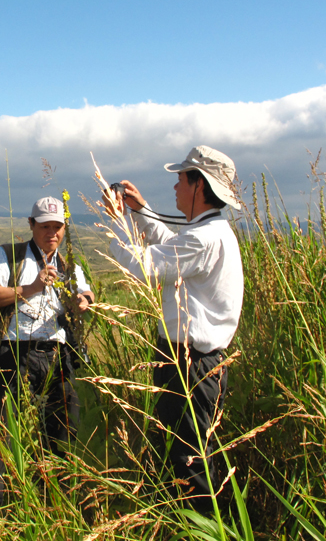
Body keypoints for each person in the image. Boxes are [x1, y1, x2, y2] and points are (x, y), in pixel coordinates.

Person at [103, 145, 244, 512]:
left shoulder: (205, 238)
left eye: (181, 178)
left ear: (199, 185)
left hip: (189, 366)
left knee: (188, 463)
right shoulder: (209, 233)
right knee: (189, 455)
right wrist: (141, 211)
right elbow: (172, 247)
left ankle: (204, 529)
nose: (176, 187)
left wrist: (117, 221)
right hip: (192, 362)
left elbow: (144, 266)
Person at [0, 196, 95, 507]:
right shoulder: (9, 255)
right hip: (14, 353)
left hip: (56, 354)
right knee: (3, 430)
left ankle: (56, 500)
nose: (52, 234)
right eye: (45, 227)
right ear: (31, 225)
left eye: (57, 227)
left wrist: (83, 301)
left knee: (63, 427)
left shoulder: (69, 263)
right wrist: (29, 288)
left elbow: (86, 293)